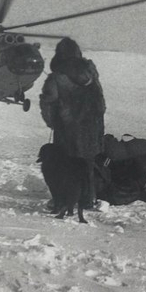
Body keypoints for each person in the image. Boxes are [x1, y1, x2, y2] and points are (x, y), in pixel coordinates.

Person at [39, 37, 106, 208]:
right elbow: (100, 99)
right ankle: (88, 198)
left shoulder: (56, 77)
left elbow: (48, 102)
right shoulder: (91, 73)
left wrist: (52, 122)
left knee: (65, 163)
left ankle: (63, 199)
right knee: (87, 162)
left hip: (67, 127)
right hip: (92, 126)